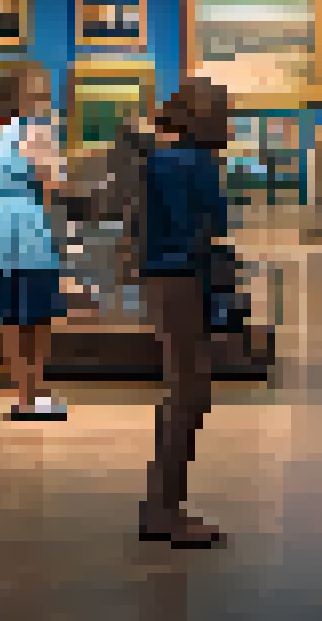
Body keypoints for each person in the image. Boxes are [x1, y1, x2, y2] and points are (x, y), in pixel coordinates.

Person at [138, 76, 233, 548]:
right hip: (183, 278)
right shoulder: (195, 162)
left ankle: (162, 505)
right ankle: (164, 510)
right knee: (189, 392)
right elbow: (207, 223)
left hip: (164, 277)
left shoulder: (162, 159)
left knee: (185, 388)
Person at [0, 67, 70, 419]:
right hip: (32, 231)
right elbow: (53, 187)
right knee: (40, 316)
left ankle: (22, 395)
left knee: (11, 318)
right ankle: (38, 392)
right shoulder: (40, 132)